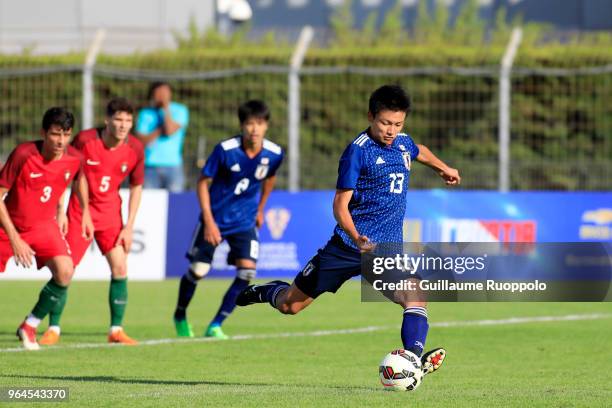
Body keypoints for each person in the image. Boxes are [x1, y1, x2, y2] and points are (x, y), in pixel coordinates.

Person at [236, 85, 461, 378]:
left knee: (415, 296)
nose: (391, 130)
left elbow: (420, 151)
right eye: (385, 123)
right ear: (370, 116)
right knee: (291, 306)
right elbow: (340, 206)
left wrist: (443, 168)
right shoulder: (357, 152)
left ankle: (412, 362)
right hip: (345, 246)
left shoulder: (403, 143)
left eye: (397, 124)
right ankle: (266, 292)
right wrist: (357, 238)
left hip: (386, 249)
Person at [173, 100, 283, 339]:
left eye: (260, 124)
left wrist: (261, 209)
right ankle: (180, 315)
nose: (254, 129)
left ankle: (216, 324)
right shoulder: (225, 150)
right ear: (242, 125)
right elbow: (202, 182)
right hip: (216, 219)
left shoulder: (274, 153)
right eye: (250, 124)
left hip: (244, 221)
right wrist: (209, 221)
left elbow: (270, 178)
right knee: (199, 270)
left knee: (247, 273)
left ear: (266, 126)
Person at [39, 98, 145, 346]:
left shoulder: (136, 149)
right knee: (66, 270)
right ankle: (53, 328)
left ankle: (116, 330)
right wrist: (61, 210)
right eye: (118, 119)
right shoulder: (86, 140)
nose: (123, 125)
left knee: (120, 266)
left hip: (109, 214)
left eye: (128, 120)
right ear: (107, 119)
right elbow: (65, 173)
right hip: (79, 211)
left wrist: (129, 226)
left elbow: (137, 186)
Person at [0, 107, 93, 350]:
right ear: (43, 133)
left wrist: (83, 213)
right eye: (55, 134)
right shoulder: (23, 154)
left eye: (66, 134)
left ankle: (29, 325)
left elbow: (78, 179)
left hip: (43, 225)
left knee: (65, 272)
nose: (61, 141)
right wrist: (14, 238)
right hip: (7, 225)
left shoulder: (75, 157)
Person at [136, 81, 189, 192]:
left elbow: (169, 131)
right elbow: (141, 140)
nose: (162, 95)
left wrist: (165, 109)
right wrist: (160, 130)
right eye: (159, 92)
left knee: (175, 202)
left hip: (173, 165)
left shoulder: (180, 110)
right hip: (150, 165)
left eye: (165, 92)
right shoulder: (145, 113)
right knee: (150, 201)